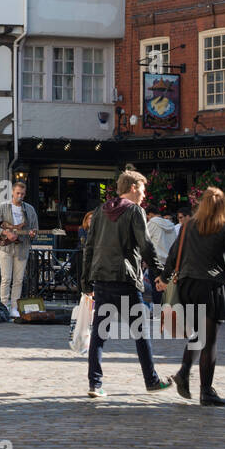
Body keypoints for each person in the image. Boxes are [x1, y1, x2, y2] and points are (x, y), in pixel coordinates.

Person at [79, 169, 173, 398]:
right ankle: (151, 381)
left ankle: (95, 383)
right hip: (125, 279)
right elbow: (146, 246)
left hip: (101, 277)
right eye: (142, 189)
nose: (144, 194)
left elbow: (89, 247)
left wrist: (85, 281)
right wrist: (159, 273)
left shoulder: (100, 211)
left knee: (99, 334)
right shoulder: (135, 211)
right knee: (141, 333)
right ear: (132, 187)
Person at [165, 187, 225, 406]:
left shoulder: (188, 226)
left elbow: (173, 256)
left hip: (187, 285)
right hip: (209, 286)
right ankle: (206, 391)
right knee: (209, 342)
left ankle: (184, 372)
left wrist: (163, 277)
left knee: (198, 336)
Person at [0, 180, 40, 319]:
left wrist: (33, 233)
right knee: (6, 278)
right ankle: (4, 306)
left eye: (22, 194)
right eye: (17, 193)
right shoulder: (3, 207)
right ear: (12, 192)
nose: (20, 196)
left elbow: (35, 228)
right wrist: (6, 233)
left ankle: (14, 308)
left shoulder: (29, 210)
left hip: (22, 248)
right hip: (5, 247)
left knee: (18, 280)